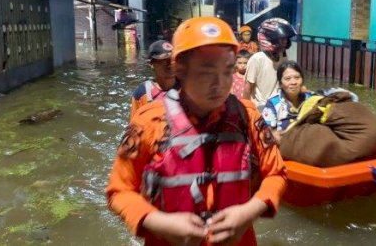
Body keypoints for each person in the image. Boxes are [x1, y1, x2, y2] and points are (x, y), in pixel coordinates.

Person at [106, 17, 287, 246]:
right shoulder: (148, 122)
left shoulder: (248, 116)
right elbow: (118, 191)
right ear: (180, 69)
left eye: (228, 71)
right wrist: (157, 222)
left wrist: (250, 211)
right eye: (207, 72)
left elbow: (276, 173)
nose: (220, 84)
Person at [243, 18, 295, 109]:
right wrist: (246, 110)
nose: (285, 42)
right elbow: (248, 88)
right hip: (261, 106)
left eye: (286, 39)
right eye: (281, 39)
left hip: (279, 103)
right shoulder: (257, 59)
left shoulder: (283, 56)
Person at [261, 61, 313, 143]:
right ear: (280, 83)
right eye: (287, 79)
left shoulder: (312, 99)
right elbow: (273, 133)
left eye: (297, 77)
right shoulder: (273, 103)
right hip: (283, 151)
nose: (293, 82)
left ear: (302, 80)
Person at [130, 40, 176, 119]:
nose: (170, 65)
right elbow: (135, 126)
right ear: (151, 63)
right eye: (164, 61)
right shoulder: (142, 93)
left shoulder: (187, 87)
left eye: (172, 60)